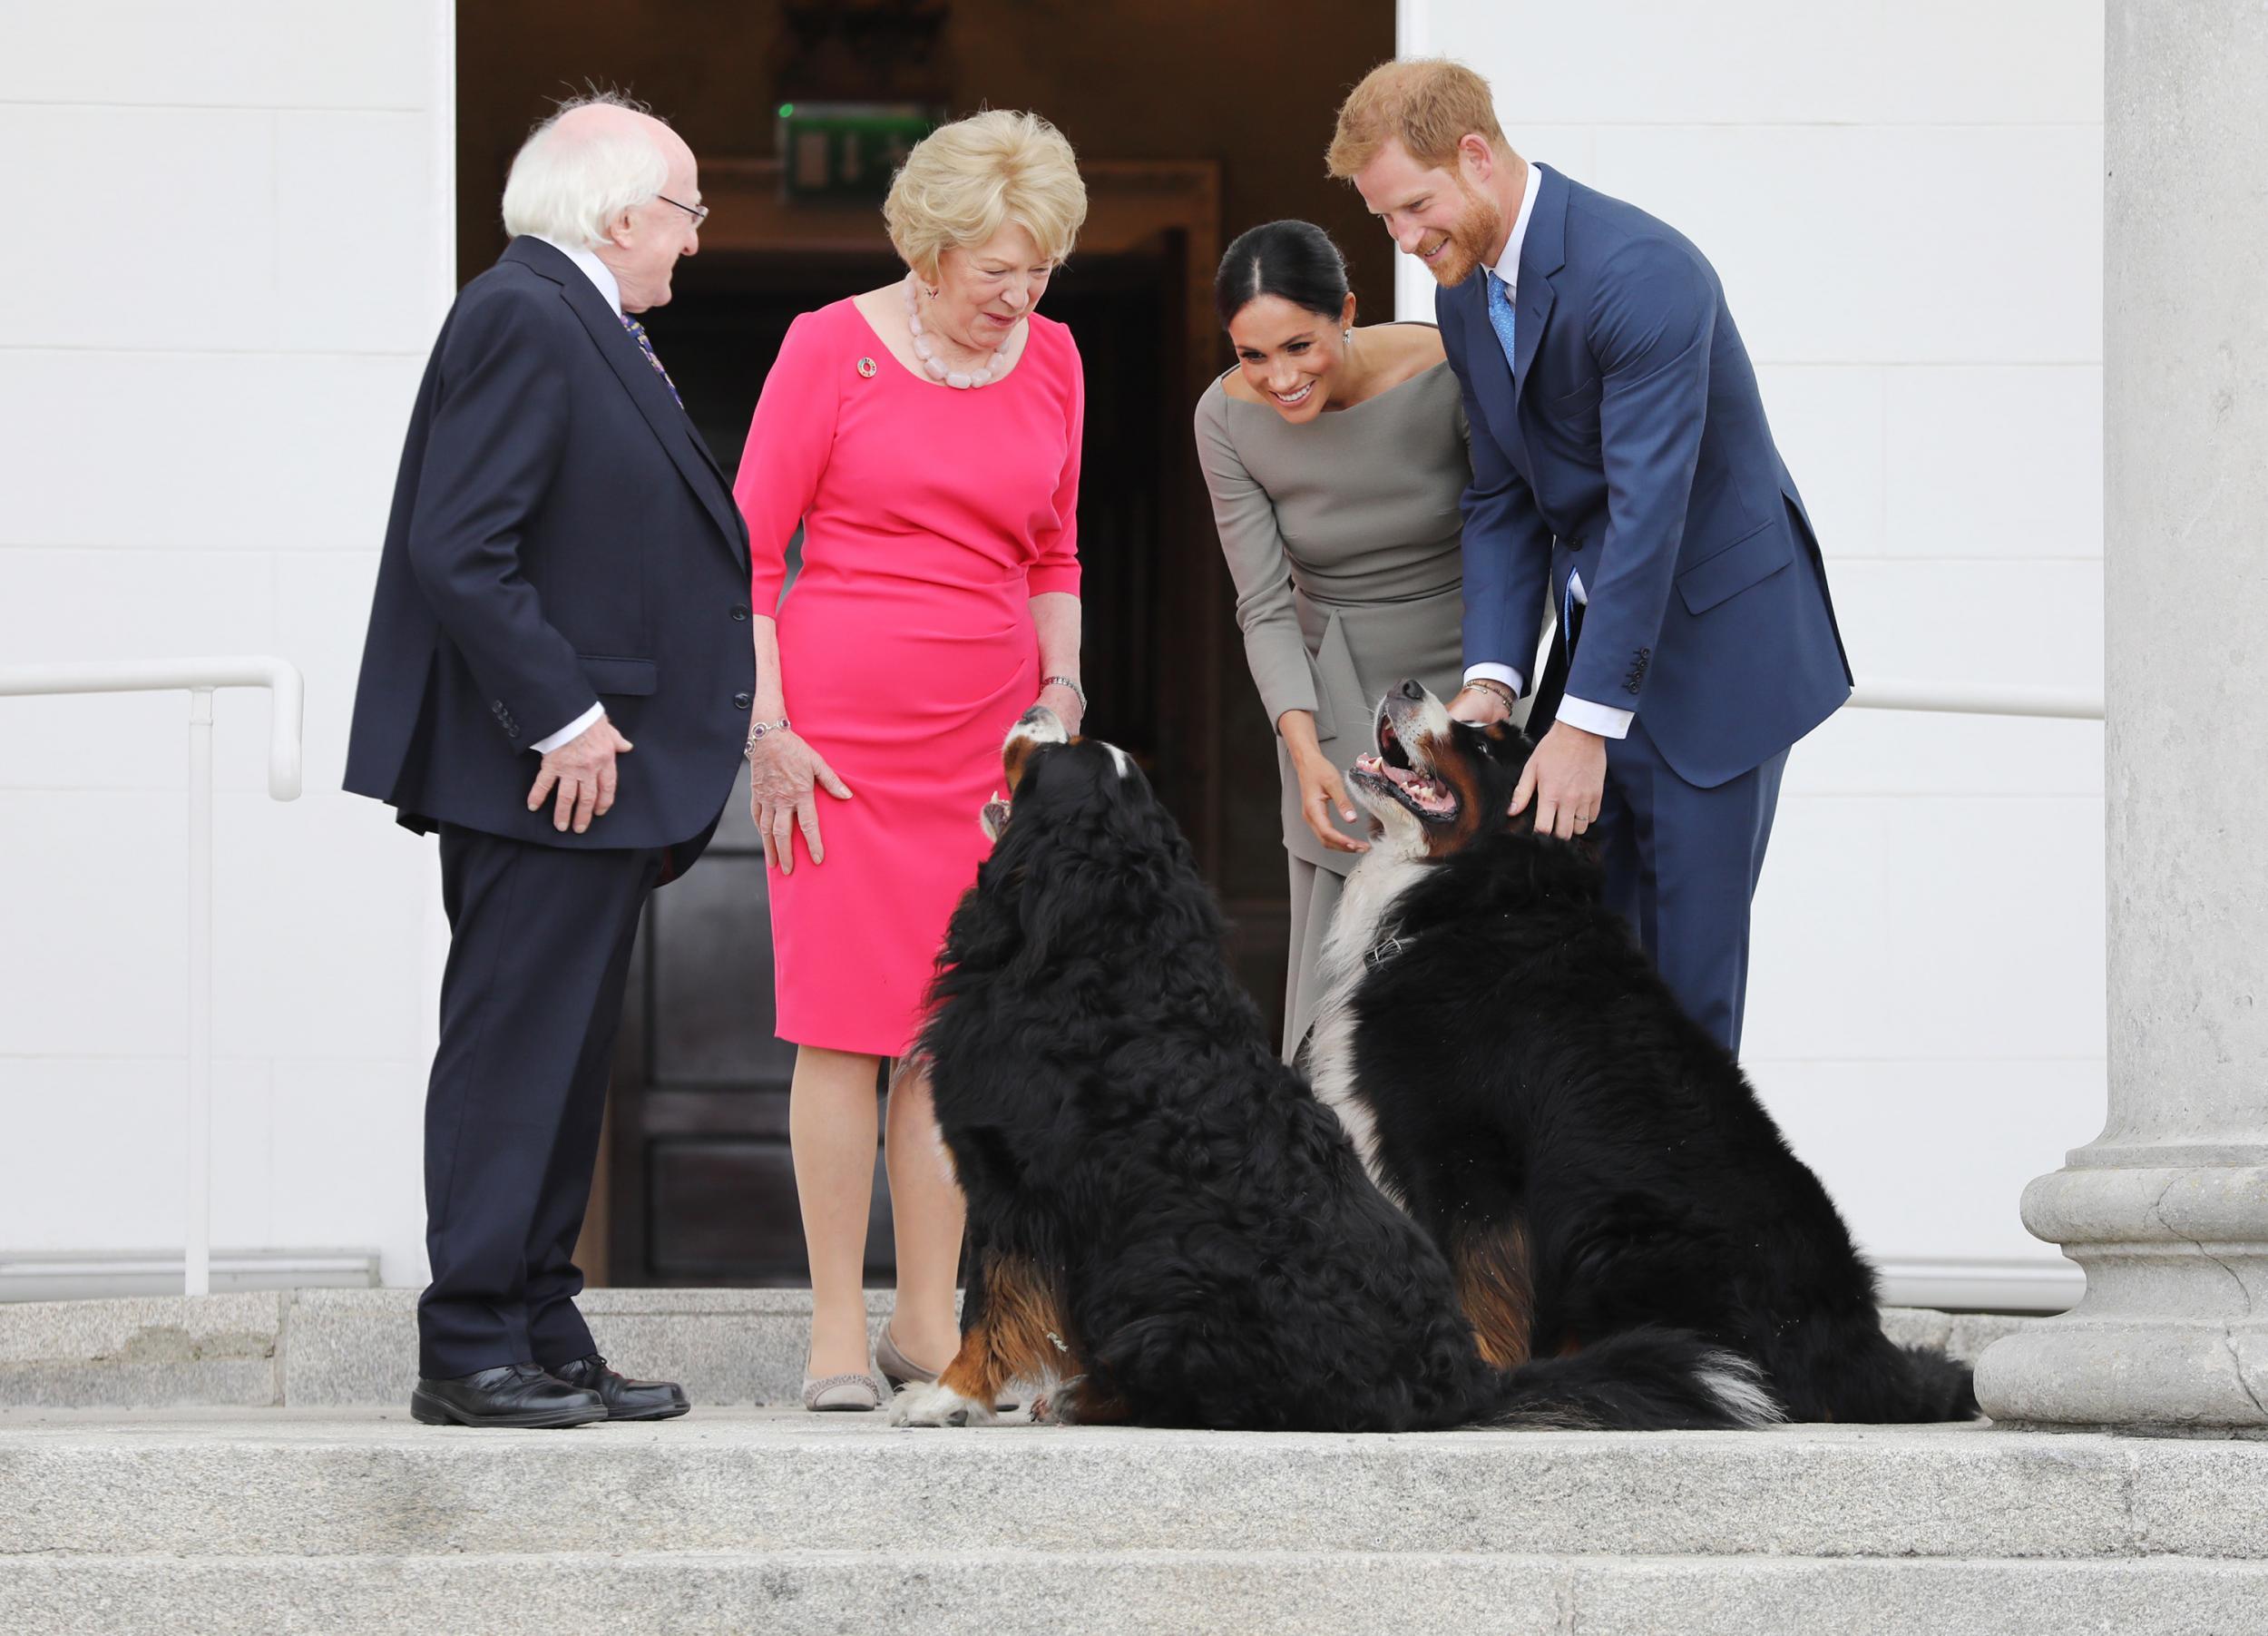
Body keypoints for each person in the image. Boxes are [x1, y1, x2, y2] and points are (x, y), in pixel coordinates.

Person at [344, 93, 749, 1426]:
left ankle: (536, 1312)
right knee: (515, 1043)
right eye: (687, 211)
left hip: (597, 771)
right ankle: (468, 1338)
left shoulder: (590, 321)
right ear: (622, 209)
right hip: (547, 764)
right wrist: (564, 714)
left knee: (567, 1053)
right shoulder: (526, 310)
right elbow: (461, 544)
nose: (694, 239)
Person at [1330, 59, 1852, 1055]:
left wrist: (1582, 724)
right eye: (1384, 217)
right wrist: (1493, 679)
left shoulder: (1642, 272)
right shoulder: (1460, 295)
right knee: (1582, 984)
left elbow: (1649, 510)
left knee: (1682, 1008)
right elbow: (1499, 496)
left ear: (1475, 157)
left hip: (1718, 654)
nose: (1403, 239)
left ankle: (1687, 1215)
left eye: (1415, 205)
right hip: (1599, 648)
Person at [731, 110, 1089, 1411]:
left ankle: (927, 1314)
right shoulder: (828, 347)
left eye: (1039, 269)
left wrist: (1064, 683)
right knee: (838, 1028)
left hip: (985, 748)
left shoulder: (1054, 359)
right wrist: (767, 727)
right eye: (997, 270)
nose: (1021, 294)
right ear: (930, 250)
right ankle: (836, 1323)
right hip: (837, 746)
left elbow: (1055, 553)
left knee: (951, 1032)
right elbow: (753, 550)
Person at [1195, 220, 1467, 1057]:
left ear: (1347, 311)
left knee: (1470, 951)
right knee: (1347, 988)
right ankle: (1335, 1184)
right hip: (1337, 699)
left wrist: (1495, 694)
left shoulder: (1451, 369)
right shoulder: (1224, 420)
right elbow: (1264, 604)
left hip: (1473, 674)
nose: (1279, 377)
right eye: (1252, 355)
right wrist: (1303, 747)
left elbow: (1519, 531)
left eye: (1299, 345)